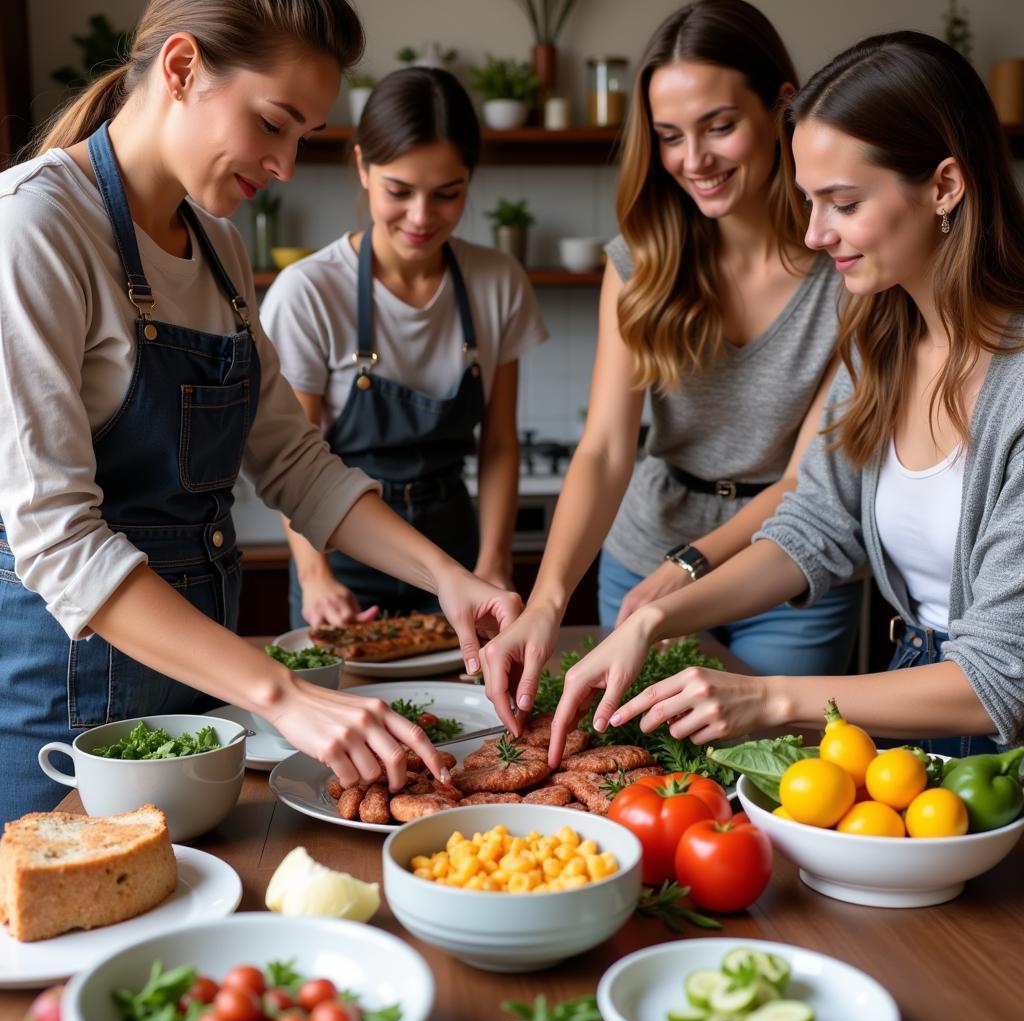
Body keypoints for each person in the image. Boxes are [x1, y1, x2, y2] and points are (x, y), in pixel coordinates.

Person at [0, 0, 521, 824]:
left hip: (205, 694)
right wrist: (280, 694)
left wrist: (450, 580)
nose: (284, 164)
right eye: (273, 124)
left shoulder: (219, 245)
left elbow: (295, 463)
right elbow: (57, 540)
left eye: (304, 137)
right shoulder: (35, 224)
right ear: (180, 69)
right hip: (70, 718)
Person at [545, 30, 1024, 763]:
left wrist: (767, 698)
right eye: (808, 202)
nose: (815, 233)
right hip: (910, 718)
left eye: (842, 202)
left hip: (994, 743)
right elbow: (817, 527)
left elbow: (1001, 675)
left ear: (945, 187)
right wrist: (655, 619)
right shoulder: (883, 341)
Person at [480, 0, 861, 733]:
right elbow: (604, 449)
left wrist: (686, 569)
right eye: (669, 137)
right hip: (640, 555)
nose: (695, 160)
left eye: (720, 126)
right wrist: (548, 600)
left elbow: (802, 479)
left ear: (783, 106)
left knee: (773, 780)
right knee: (642, 769)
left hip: (792, 568)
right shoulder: (641, 263)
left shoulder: (847, 269)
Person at [261, 67, 547, 630]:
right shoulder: (309, 292)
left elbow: (498, 445)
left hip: (457, 548)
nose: (421, 217)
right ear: (364, 167)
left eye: (448, 194)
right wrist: (316, 578)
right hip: (345, 549)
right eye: (399, 191)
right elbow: (294, 456)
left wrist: (493, 561)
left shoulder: (497, 281)